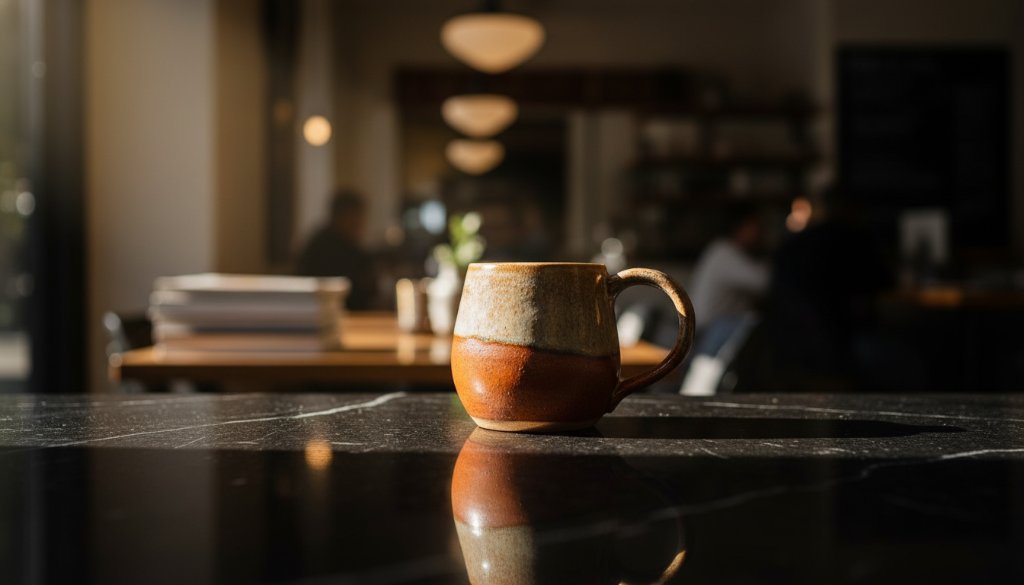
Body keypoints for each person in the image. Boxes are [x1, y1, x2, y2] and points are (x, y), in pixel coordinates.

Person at [688, 204, 769, 331]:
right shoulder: (724, 252)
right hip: (706, 332)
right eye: (755, 226)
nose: (761, 231)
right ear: (740, 227)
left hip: (711, 329)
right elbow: (764, 282)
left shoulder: (725, 250)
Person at [296, 190, 377, 310]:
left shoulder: (323, 241)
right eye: (355, 217)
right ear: (340, 216)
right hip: (326, 315)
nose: (361, 223)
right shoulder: (325, 249)